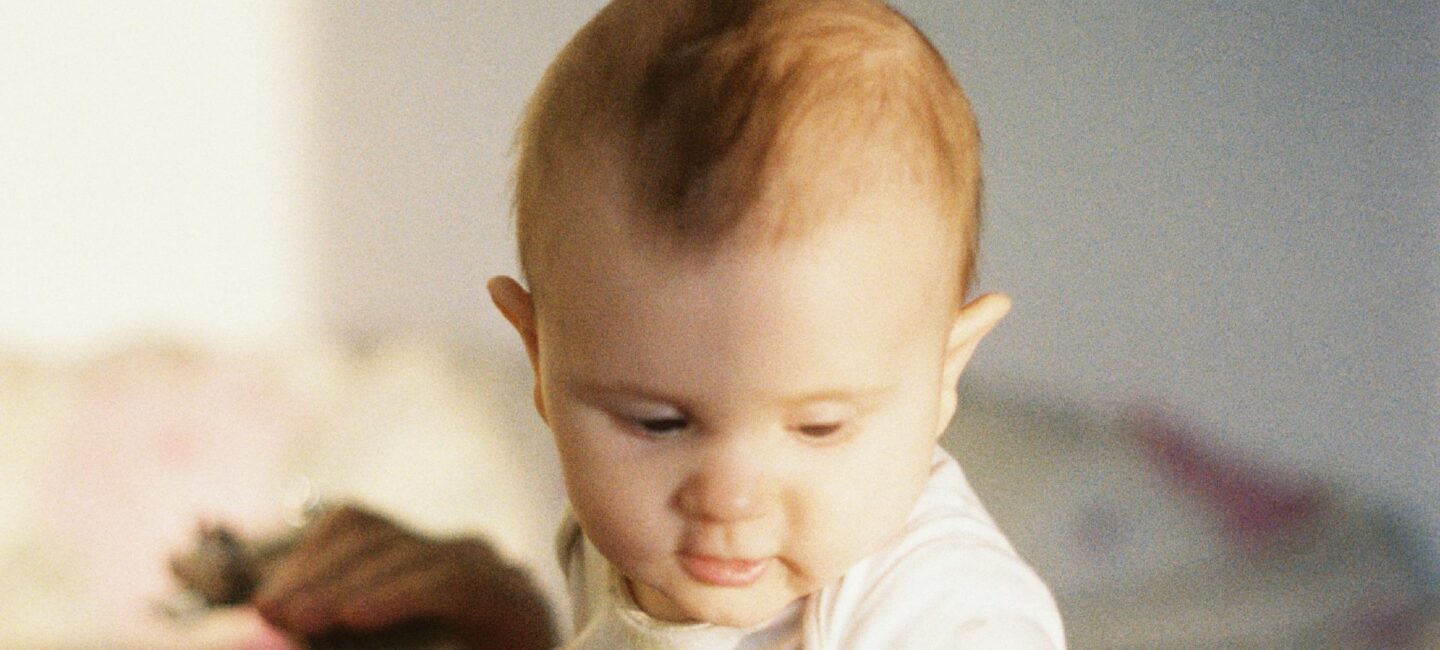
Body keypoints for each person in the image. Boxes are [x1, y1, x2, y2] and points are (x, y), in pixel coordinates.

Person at [257, 0, 1065, 647]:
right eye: (660, 421)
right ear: (540, 359)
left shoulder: (947, 611)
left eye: (818, 428)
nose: (730, 500)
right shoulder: (626, 543)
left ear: (944, 375)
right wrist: (504, 617)